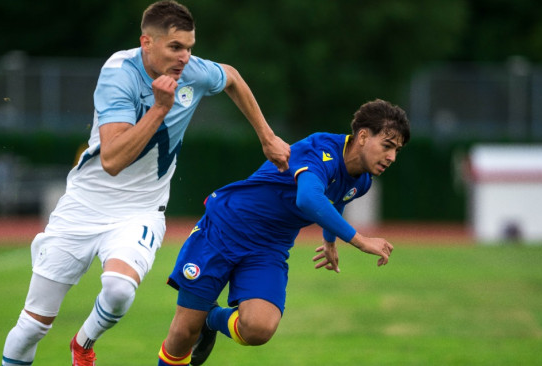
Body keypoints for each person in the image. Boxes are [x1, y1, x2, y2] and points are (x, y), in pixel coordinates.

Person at [0, 1, 290, 365]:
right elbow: (112, 160)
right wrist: (159, 109)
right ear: (146, 43)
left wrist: (266, 136)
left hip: (140, 211)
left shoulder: (193, 71)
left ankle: (83, 344)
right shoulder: (118, 73)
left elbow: (231, 76)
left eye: (189, 47)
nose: (185, 57)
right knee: (32, 327)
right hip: (83, 206)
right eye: (175, 47)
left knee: (119, 288)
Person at [156, 99, 410, 366]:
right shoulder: (322, 149)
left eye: (397, 150)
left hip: (269, 248)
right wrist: (359, 241)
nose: (392, 157)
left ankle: (210, 319)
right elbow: (309, 198)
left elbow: (337, 199)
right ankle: (198, 322)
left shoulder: (363, 181)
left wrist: (329, 242)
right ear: (362, 136)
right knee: (184, 332)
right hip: (225, 228)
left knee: (258, 328)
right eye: (387, 146)